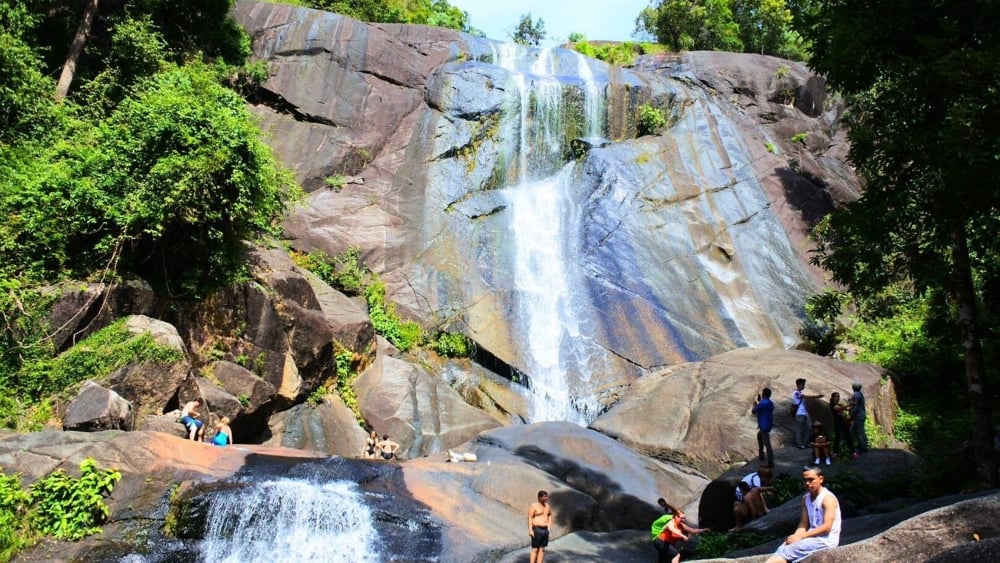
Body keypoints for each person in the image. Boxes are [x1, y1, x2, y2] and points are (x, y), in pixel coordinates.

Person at [765, 465, 841, 563]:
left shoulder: (827, 498)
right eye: (805, 480)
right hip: (811, 536)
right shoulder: (806, 498)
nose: (807, 483)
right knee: (785, 546)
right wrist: (796, 536)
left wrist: (801, 537)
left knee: (786, 551)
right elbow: (803, 523)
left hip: (825, 540)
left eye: (811, 480)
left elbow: (827, 527)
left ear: (821, 479)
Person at [731, 467, 773, 531]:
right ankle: (739, 525)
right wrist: (764, 509)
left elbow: (758, 490)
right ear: (762, 477)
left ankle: (739, 525)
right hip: (745, 495)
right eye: (767, 479)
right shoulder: (756, 480)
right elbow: (758, 491)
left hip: (745, 493)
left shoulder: (756, 478)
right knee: (741, 504)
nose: (768, 481)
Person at [792, 379, 824, 449]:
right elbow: (804, 397)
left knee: (809, 428)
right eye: (803, 384)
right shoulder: (796, 393)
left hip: (804, 413)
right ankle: (800, 444)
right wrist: (816, 396)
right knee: (800, 429)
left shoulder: (800, 393)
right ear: (798, 385)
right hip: (799, 413)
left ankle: (805, 443)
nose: (804, 386)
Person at [752, 387, 775, 466]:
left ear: (763, 394)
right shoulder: (770, 403)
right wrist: (760, 401)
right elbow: (763, 409)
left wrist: (755, 404)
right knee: (759, 436)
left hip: (763, 424)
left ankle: (770, 461)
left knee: (767, 443)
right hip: (768, 424)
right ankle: (761, 455)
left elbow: (754, 411)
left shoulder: (763, 403)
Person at [528, 490, 552, 563]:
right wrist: (530, 530)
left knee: (542, 549)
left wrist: (548, 527)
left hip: (545, 530)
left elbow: (550, 515)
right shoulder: (534, 506)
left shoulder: (547, 506)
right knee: (535, 549)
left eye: (547, 496)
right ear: (540, 497)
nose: (547, 498)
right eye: (545, 496)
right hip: (537, 529)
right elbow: (530, 517)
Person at [829, 392, 854, 458]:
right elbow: (838, 408)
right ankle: (835, 452)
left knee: (848, 437)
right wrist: (849, 405)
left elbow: (847, 409)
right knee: (837, 438)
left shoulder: (839, 404)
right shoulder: (832, 405)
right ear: (833, 397)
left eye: (838, 396)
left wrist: (852, 405)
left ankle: (853, 451)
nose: (838, 398)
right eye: (836, 396)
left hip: (843, 423)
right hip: (837, 423)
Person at [849, 381, 869, 454]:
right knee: (853, 431)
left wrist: (851, 414)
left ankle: (863, 446)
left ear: (853, 387)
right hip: (860, 415)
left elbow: (856, 407)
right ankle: (859, 445)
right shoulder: (859, 394)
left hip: (858, 416)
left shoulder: (856, 395)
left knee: (860, 431)